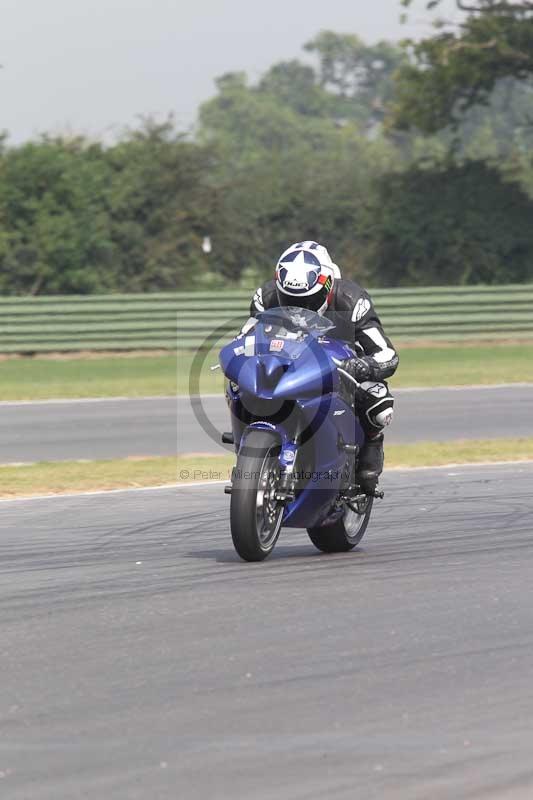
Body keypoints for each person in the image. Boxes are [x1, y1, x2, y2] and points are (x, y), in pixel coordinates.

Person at [244, 240, 399, 494]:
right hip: (285, 365)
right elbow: (246, 337)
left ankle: (371, 447)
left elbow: (387, 353)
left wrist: (363, 365)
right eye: (290, 299)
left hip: (339, 371)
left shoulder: (352, 300)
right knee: (241, 380)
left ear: (326, 287)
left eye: (308, 300)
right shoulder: (266, 297)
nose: (299, 309)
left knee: (378, 400)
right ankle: (251, 442)